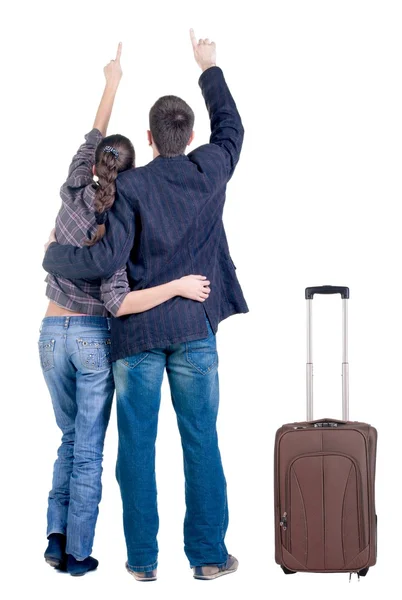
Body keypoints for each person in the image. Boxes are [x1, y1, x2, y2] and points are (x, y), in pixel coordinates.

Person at [43, 30, 248, 581]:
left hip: (134, 334)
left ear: (152, 141)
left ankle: (142, 562)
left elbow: (104, 255)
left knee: (135, 447)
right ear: (188, 136)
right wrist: (208, 67)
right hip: (194, 324)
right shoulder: (211, 169)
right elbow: (233, 128)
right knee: (201, 439)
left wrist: (53, 257)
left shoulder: (129, 187)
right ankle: (207, 558)